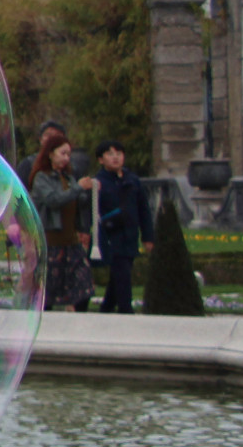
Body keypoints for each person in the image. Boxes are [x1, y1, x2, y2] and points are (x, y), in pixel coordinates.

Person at [28, 132, 99, 312]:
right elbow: (54, 200)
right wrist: (78, 188)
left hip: (71, 242)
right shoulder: (42, 178)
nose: (67, 158)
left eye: (69, 154)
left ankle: (77, 318)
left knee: (84, 285)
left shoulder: (68, 178)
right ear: (50, 154)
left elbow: (77, 203)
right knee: (48, 291)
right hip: (51, 242)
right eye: (63, 153)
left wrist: (90, 191)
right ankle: (47, 324)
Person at [92, 139, 154, 315]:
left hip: (130, 235)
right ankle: (126, 310)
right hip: (111, 235)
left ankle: (106, 308)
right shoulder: (98, 182)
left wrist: (148, 236)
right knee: (122, 273)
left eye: (119, 154)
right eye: (110, 154)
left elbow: (144, 210)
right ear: (101, 159)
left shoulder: (132, 181)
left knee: (119, 275)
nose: (115, 158)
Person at [16, 119, 67, 187]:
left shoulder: (70, 165)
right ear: (40, 139)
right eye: (48, 135)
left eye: (57, 136)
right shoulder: (28, 164)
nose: (52, 139)